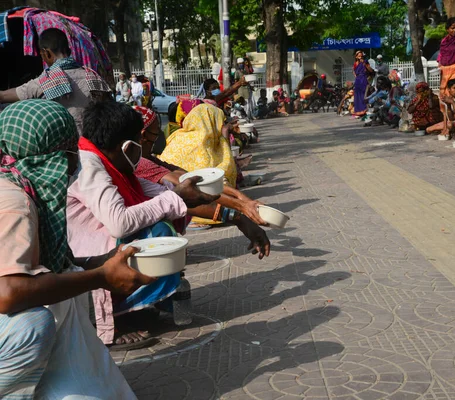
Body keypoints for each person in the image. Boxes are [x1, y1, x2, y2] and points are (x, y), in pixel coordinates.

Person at [0, 99, 148, 398]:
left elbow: (44, 267)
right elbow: (9, 292)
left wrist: (103, 262)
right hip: (11, 318)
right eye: (70, 152)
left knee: (68, 281)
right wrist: (101, 278)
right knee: (33, 323)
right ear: (49, 157)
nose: (75, 163)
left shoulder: (19, 184)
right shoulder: (15, 203)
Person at [67, 102, 219, 348]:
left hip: (99, 243)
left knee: (163, 226)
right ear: (126, 146)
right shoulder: (91, 166)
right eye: (140, 140)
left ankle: (136, 305)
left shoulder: (110, 161)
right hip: (88, 255)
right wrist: (176, 198)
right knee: (157, 234)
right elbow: (119, 223)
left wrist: (184, 196)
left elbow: (161, 193)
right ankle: (112, 319)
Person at [134, 106, 270, 232]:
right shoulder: (141, 163)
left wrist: (242, 198)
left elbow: (198, 179)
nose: (159, 134)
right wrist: (240, 208)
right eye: (157, 131)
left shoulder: (149, 157)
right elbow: (193, 187)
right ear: (143, 135)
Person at [0, 28, 111, 135]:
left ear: (46, 53)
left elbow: (4, 96)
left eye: (42, 55)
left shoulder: (46, 81)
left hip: (63, 149)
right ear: (69, 50)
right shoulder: (93, 77)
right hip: (92, 147)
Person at [353, 50, 374, 117]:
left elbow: (371, 70)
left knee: (363, 95)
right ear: (356, 56)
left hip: (363, 79)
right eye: (359, 56)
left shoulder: (365, 62)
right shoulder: (355, 63)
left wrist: (365, 65)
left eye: (361, 56)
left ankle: (364, 110)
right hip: (358, 80)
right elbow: (354, 71)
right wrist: (356, 76)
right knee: (357, 96)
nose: (360, 57)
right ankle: (358, 111)